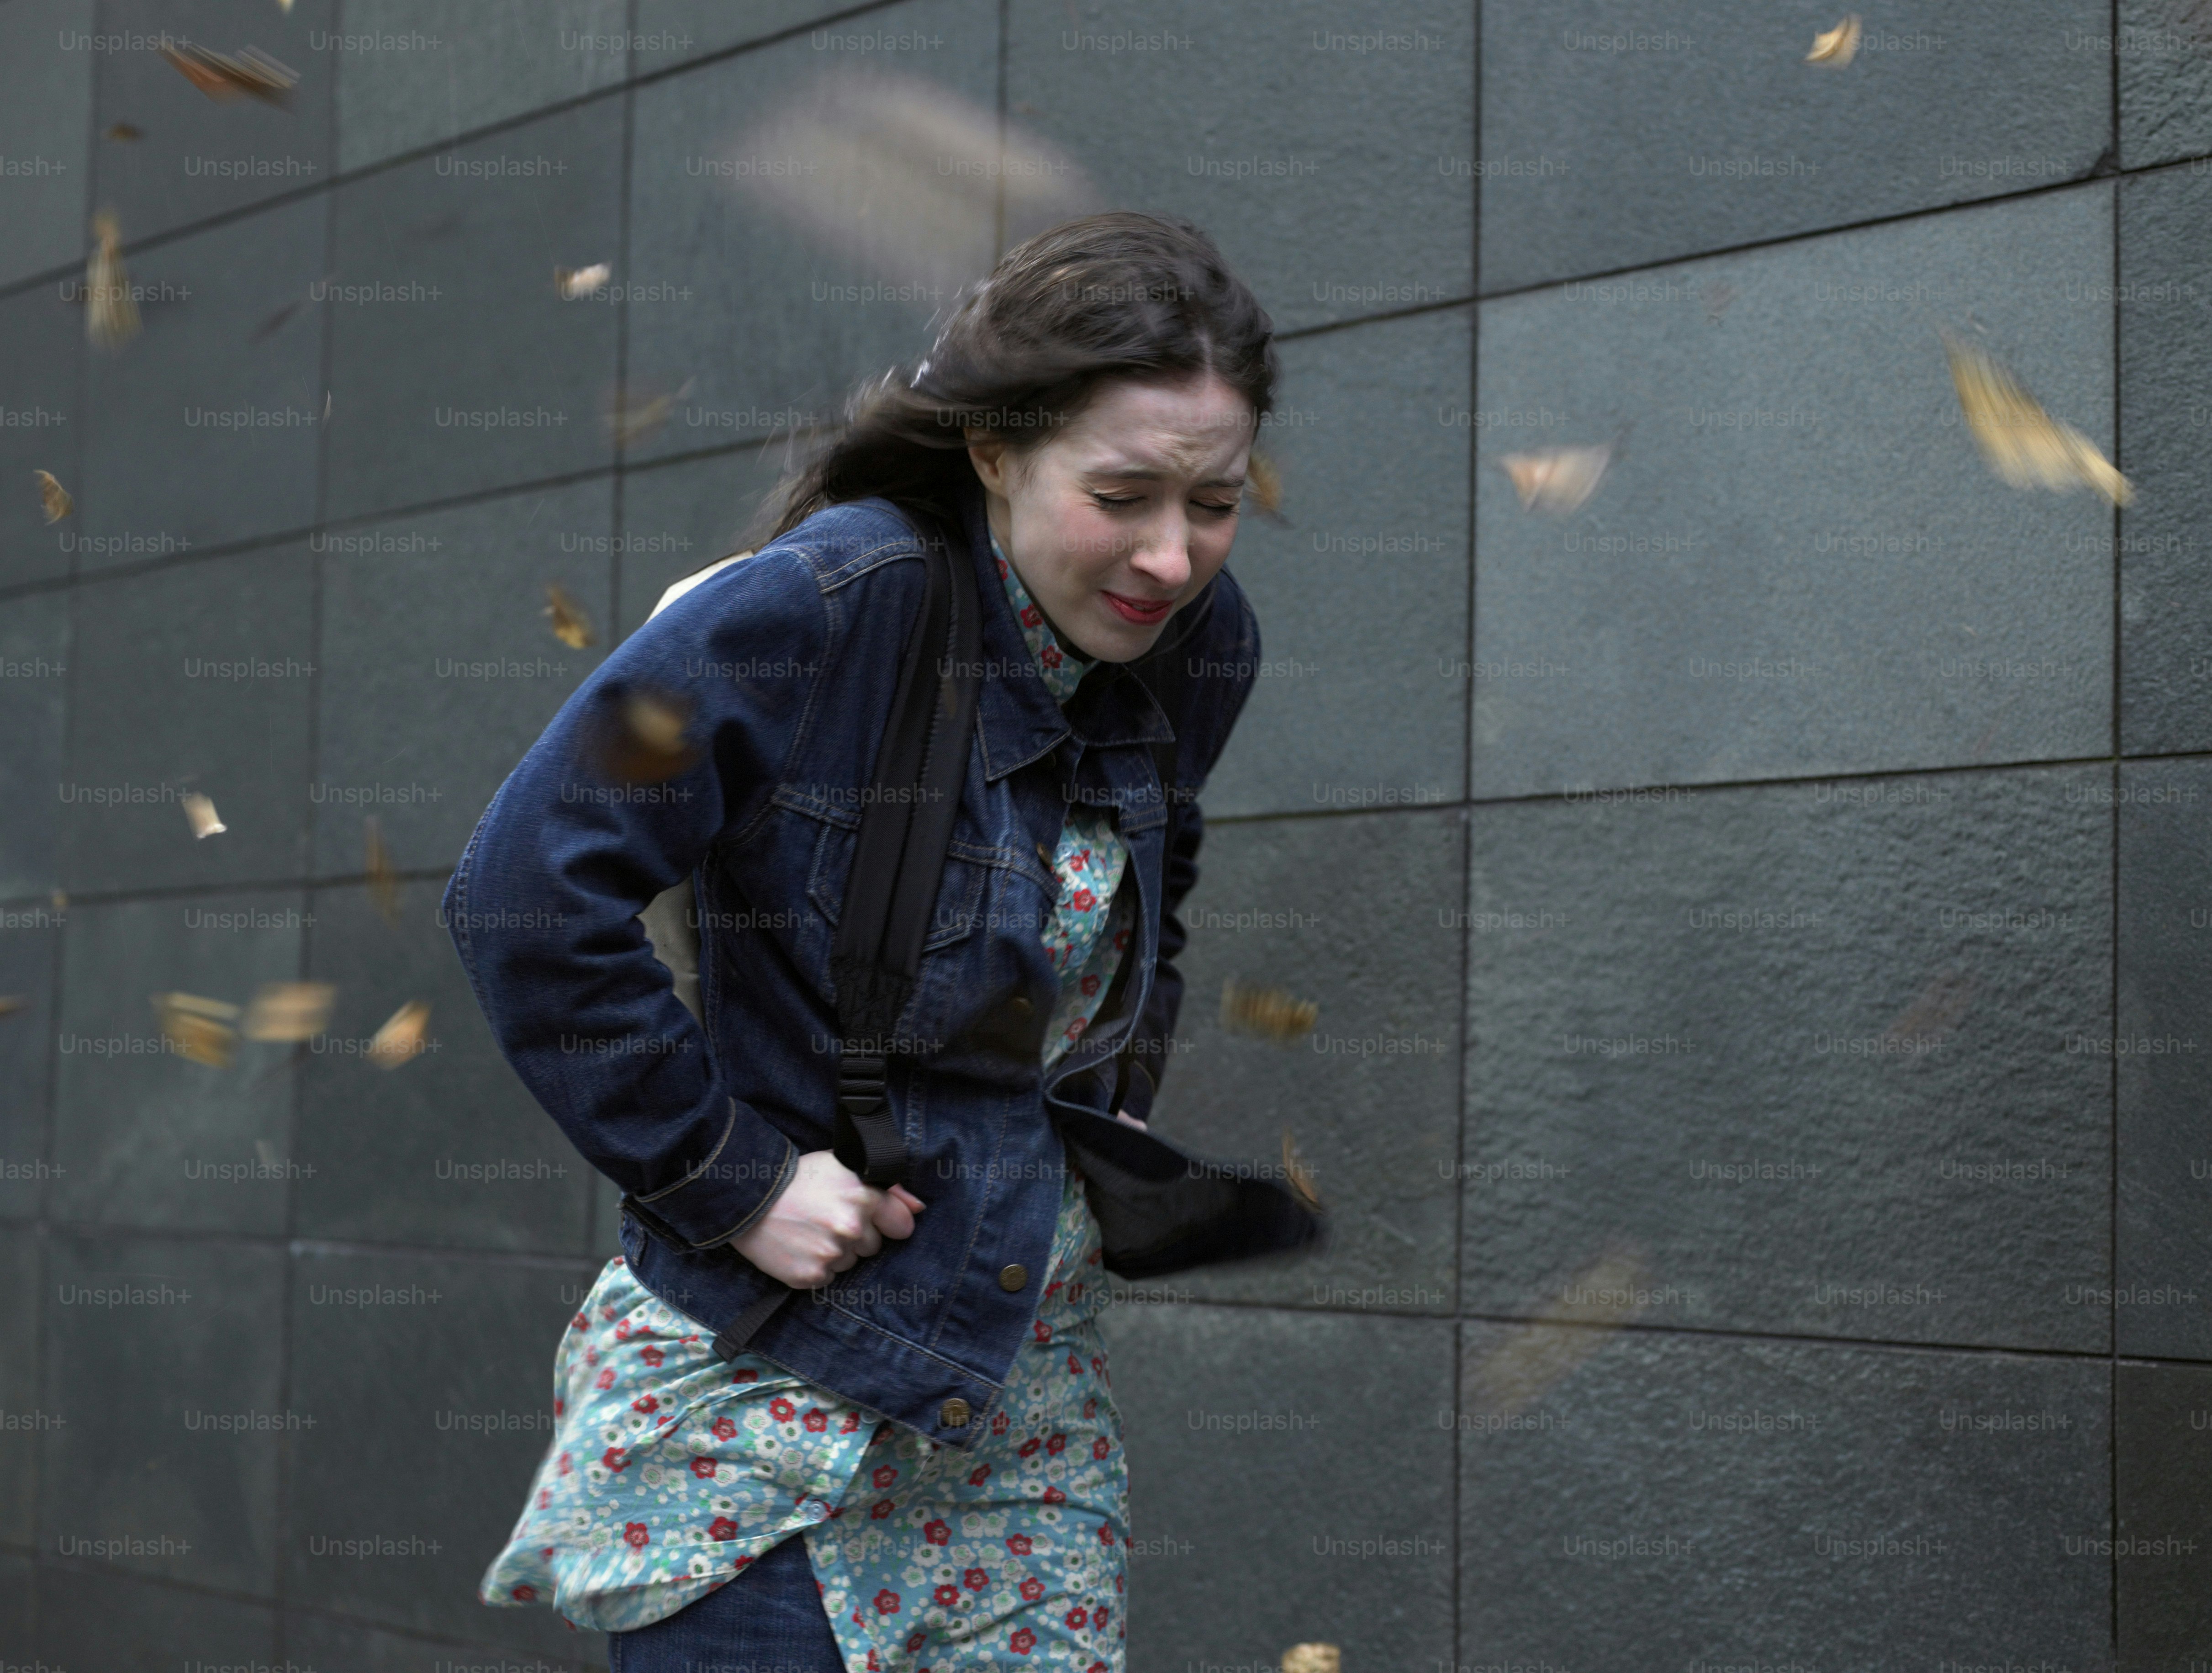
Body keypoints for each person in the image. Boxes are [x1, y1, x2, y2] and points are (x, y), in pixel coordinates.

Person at [442, 210, 1320, 1672]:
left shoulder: (1200, 647)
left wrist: (1110, 1108)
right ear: (992, 451)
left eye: (1215, 502)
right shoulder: (819, 603)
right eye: (1123, 495)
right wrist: (734, 1183)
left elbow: (1146, 892)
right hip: (762, 1405)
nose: (1171, 556)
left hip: (1019, 1418)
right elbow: (526, 892)